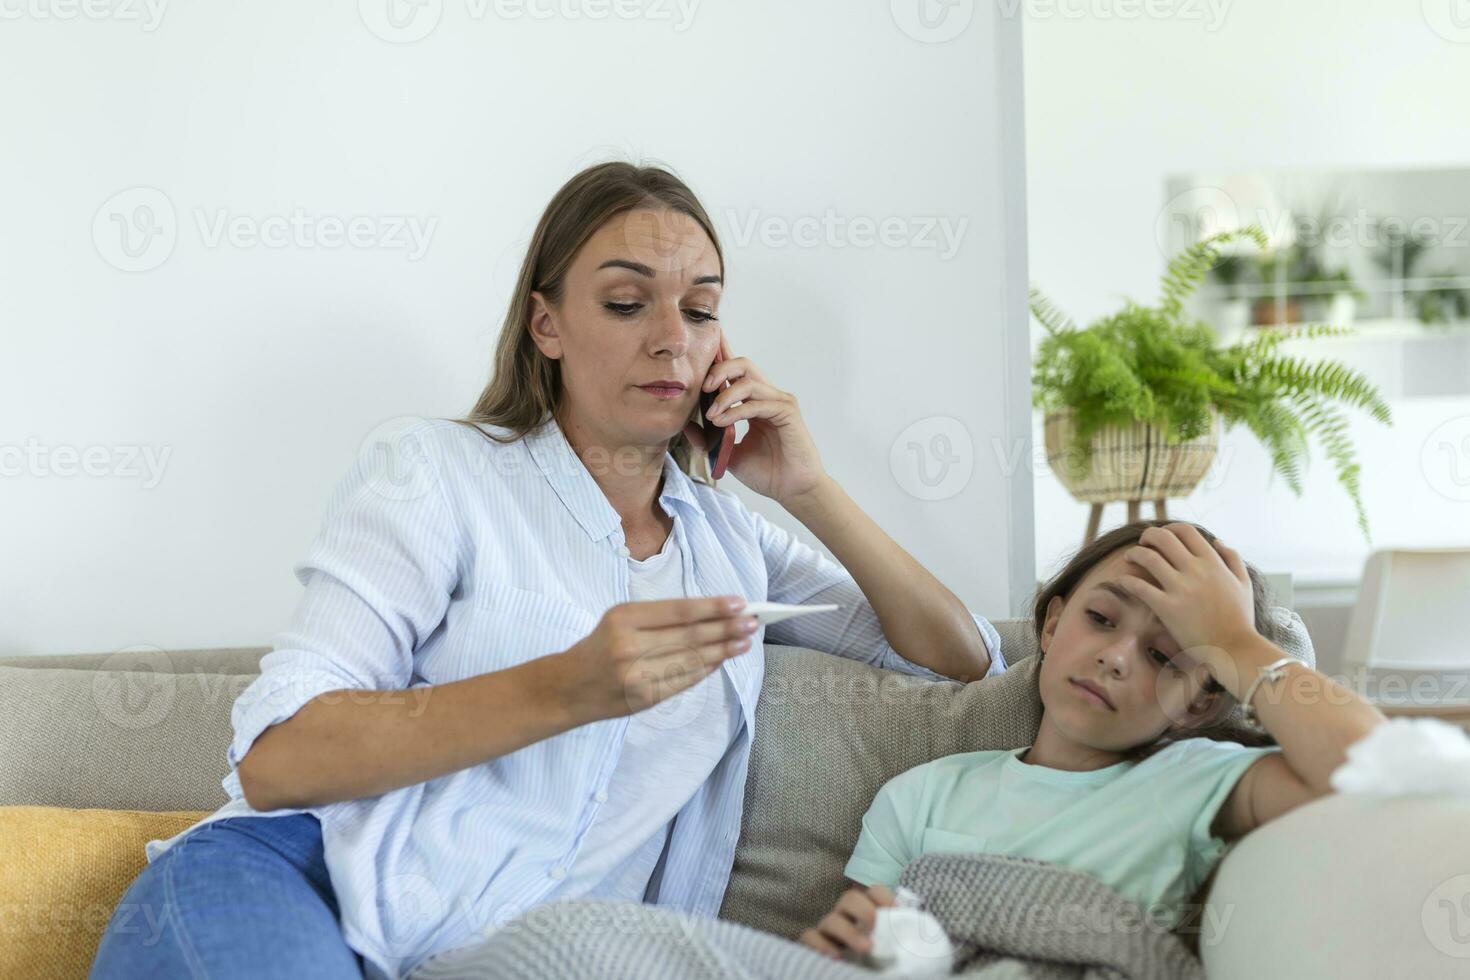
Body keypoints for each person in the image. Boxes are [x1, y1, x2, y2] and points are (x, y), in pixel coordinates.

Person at [90, 161, 1007, 980]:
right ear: (547, 324)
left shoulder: (725, 540)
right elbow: (277, 759)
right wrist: (565, 688)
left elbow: (959, 660)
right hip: (301, 883)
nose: (671, 340)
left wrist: (808, 487)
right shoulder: (436, 473)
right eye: (624, 302)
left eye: (700, 309)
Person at [798, 520, 1386, 961]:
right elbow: (859, 957)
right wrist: (847, 949)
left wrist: (1233, 640)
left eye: (1163, 655)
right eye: (1101, 619)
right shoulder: (920, 795)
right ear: (1052, 625)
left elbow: (1378, 772)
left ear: (1201, 700)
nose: (1115, 656)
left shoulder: (1198, 779)